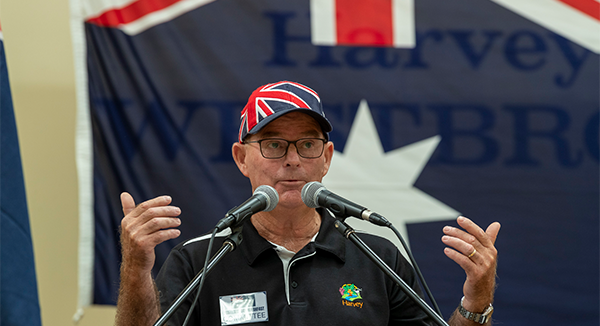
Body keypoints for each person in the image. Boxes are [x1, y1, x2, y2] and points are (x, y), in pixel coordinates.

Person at [115, 81, 501, 326]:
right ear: (241, 158)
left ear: (327, 157)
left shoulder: (378, 257)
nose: (293, 159)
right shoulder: (199, 259)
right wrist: (135, 269)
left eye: (308, 144)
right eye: (273, 144)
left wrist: (476, 300)